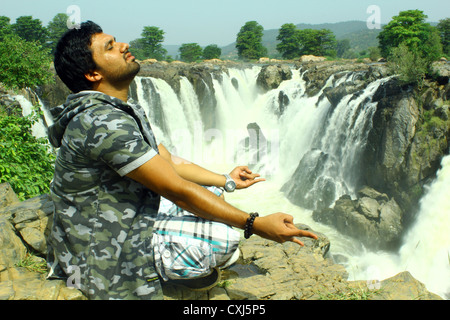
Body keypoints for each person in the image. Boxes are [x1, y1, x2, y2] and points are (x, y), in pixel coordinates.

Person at [46, 21, 318, 300]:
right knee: (226, 240)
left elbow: (168, 161)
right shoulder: (102, 122)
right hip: (102, 245)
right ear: (92, 73)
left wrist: (226, 179)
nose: (124, 46)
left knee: (213, 193)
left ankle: (177, 255)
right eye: (111, 47)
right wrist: (254, 224)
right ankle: (165, 270)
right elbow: (177, 190)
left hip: (124, 209)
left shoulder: (116, 108)